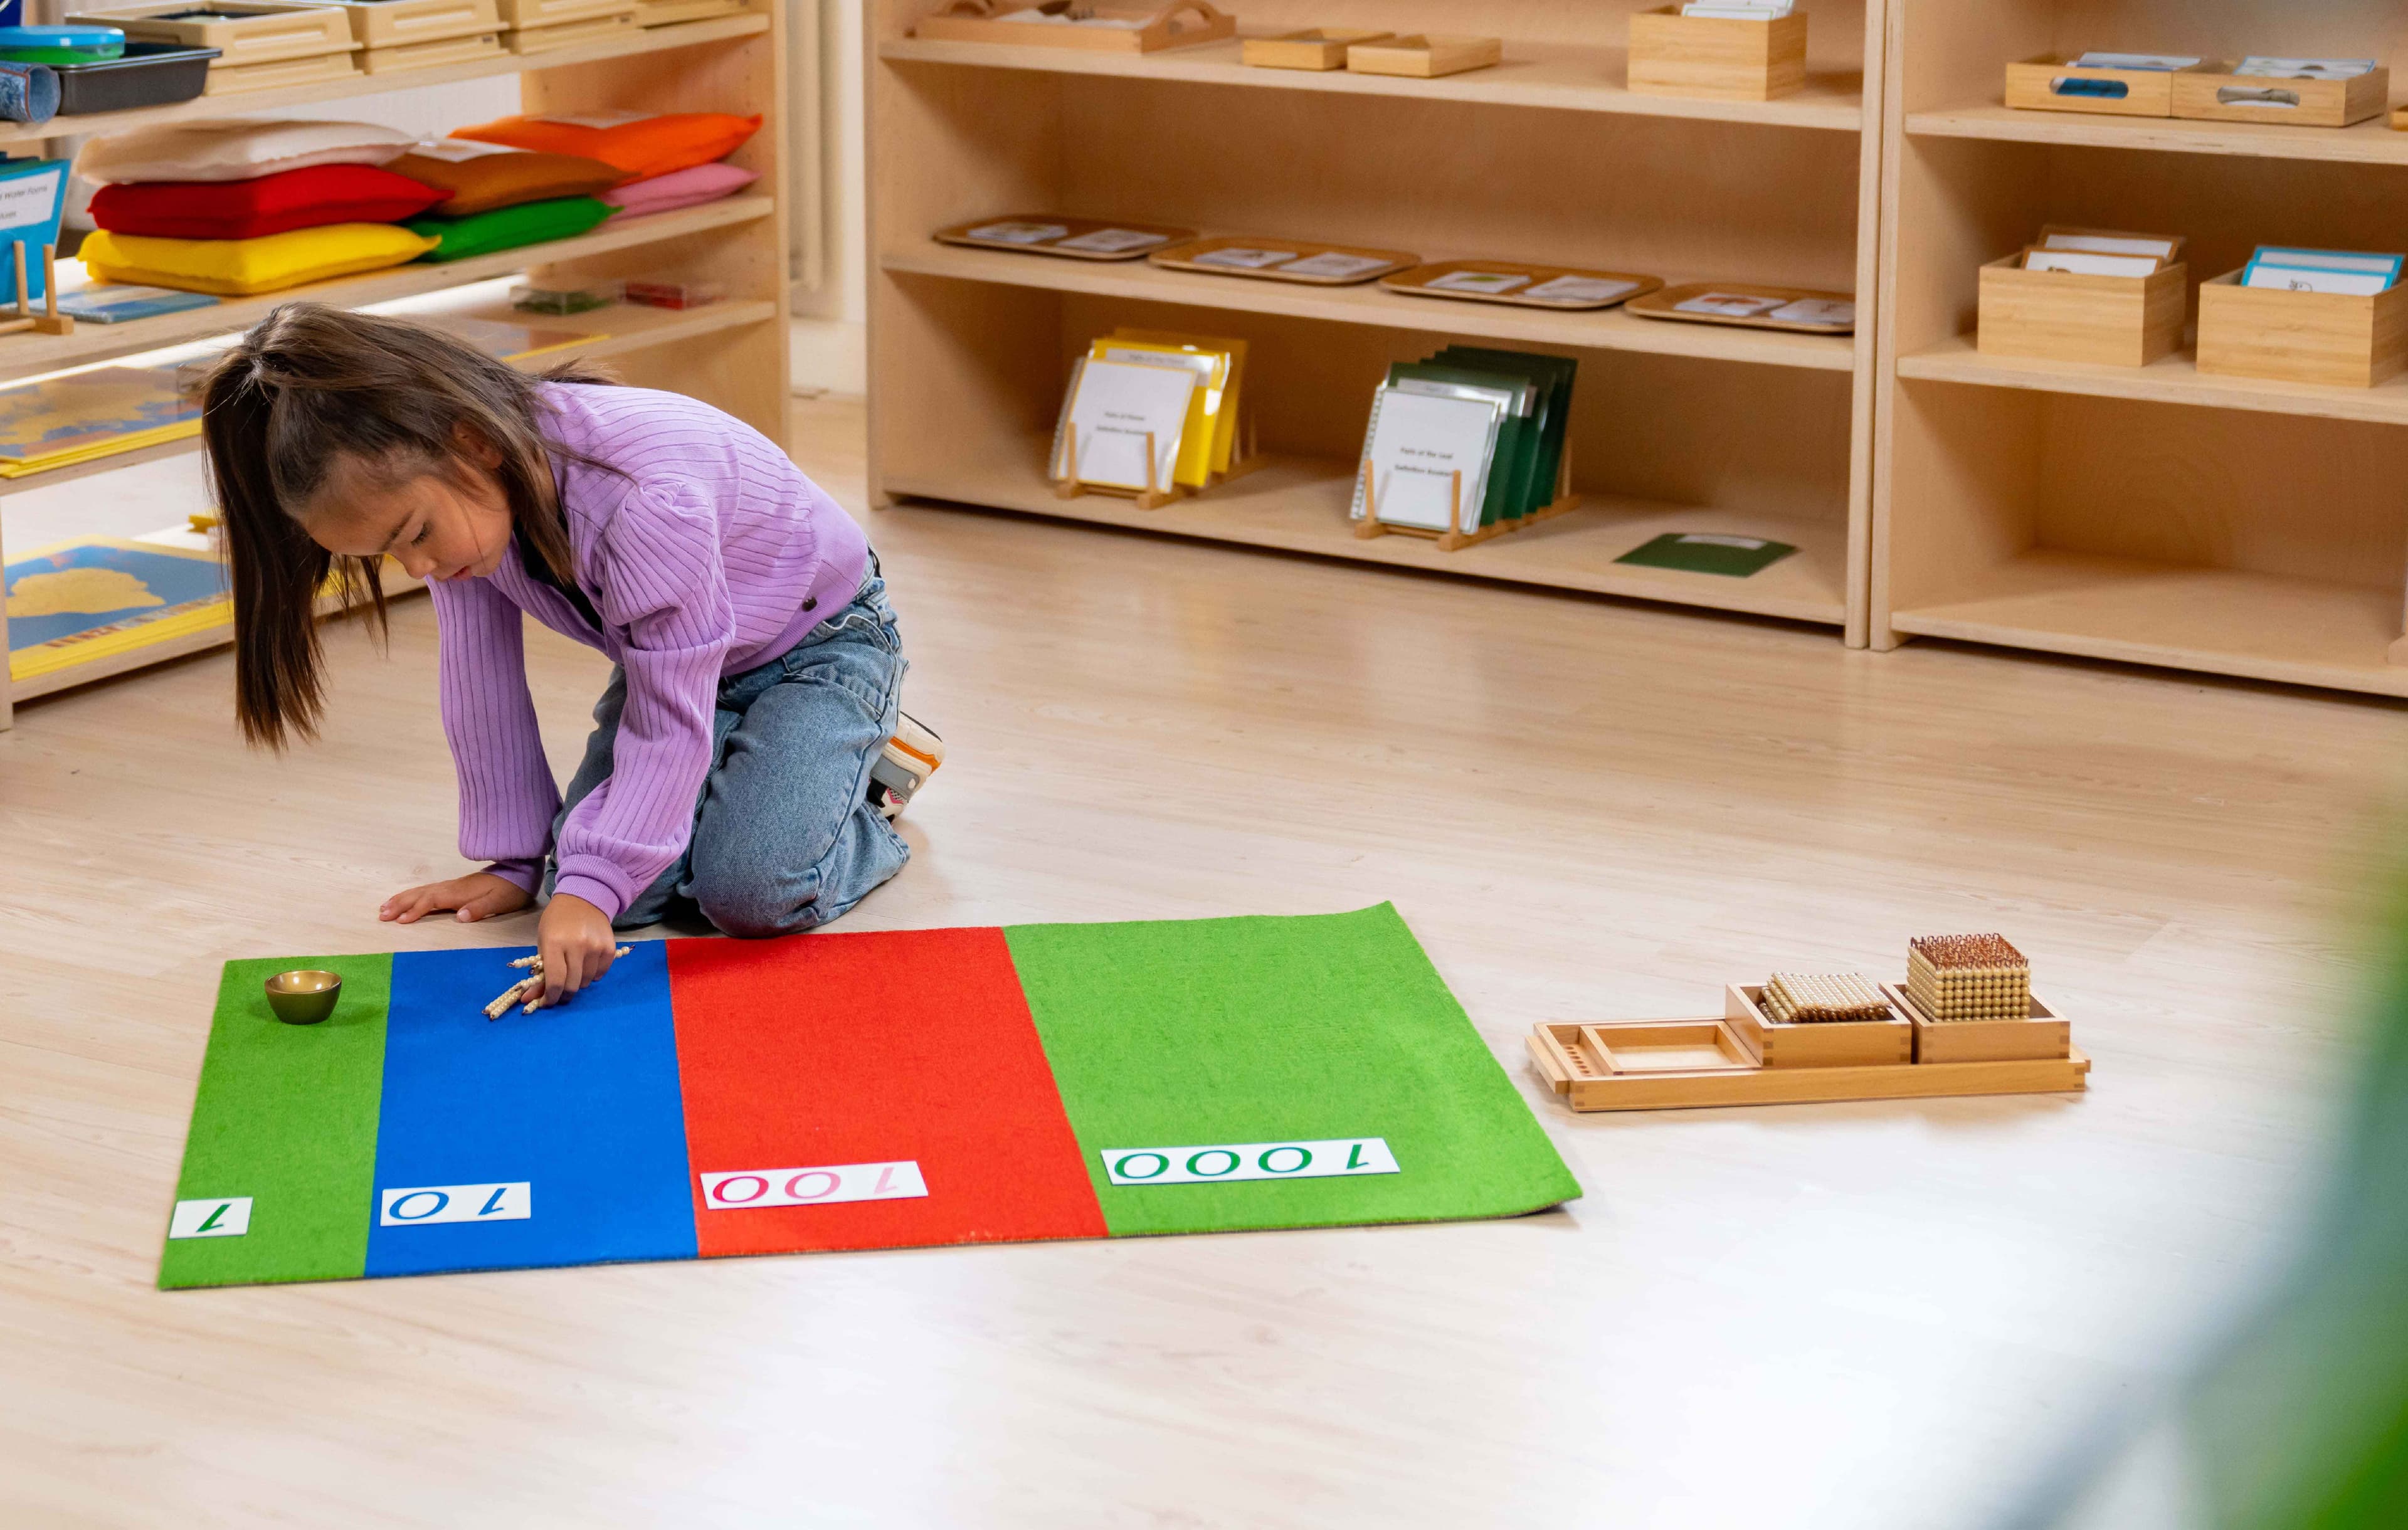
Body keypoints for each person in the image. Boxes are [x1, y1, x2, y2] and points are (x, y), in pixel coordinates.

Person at [203, 303, 941, 1006]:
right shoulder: (464, 512)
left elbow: (666, 714)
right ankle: (754, 779)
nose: (416, 568)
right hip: (676, 661)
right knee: (609, 894)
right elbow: (481, 683)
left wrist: (597, 874)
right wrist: (522, 862)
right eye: (390, 554)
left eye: (414, 534)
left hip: (818, 647)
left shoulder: (647, 501)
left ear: (473, 443)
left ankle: (867, 791)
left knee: (747, 894)